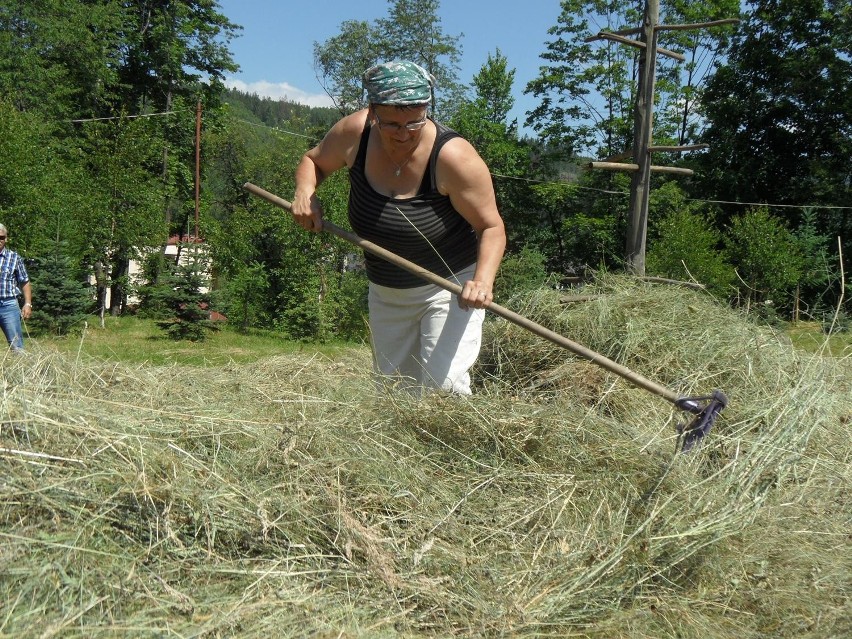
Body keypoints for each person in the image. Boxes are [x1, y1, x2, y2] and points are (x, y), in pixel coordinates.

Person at [292, 60, 506, 395]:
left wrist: (482, 281)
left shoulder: (455, 159)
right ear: (372, 111)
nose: (403, 134)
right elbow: (313, 161)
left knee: (443, 387)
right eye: (390, 123)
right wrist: (305, 192)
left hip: (448, 289)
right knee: (395, 393)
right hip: (387, 292)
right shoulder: (354, 135)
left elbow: (491, 227)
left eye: (414, 122)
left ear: (427, 109)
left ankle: (451, 448)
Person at [0, 223, 32, 351]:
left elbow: (24, 282)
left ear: (6, 238)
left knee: (16, 347)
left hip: (9, 306)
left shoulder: (14, 257)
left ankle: (21, 370)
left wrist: (28, 303)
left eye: (1, 237)